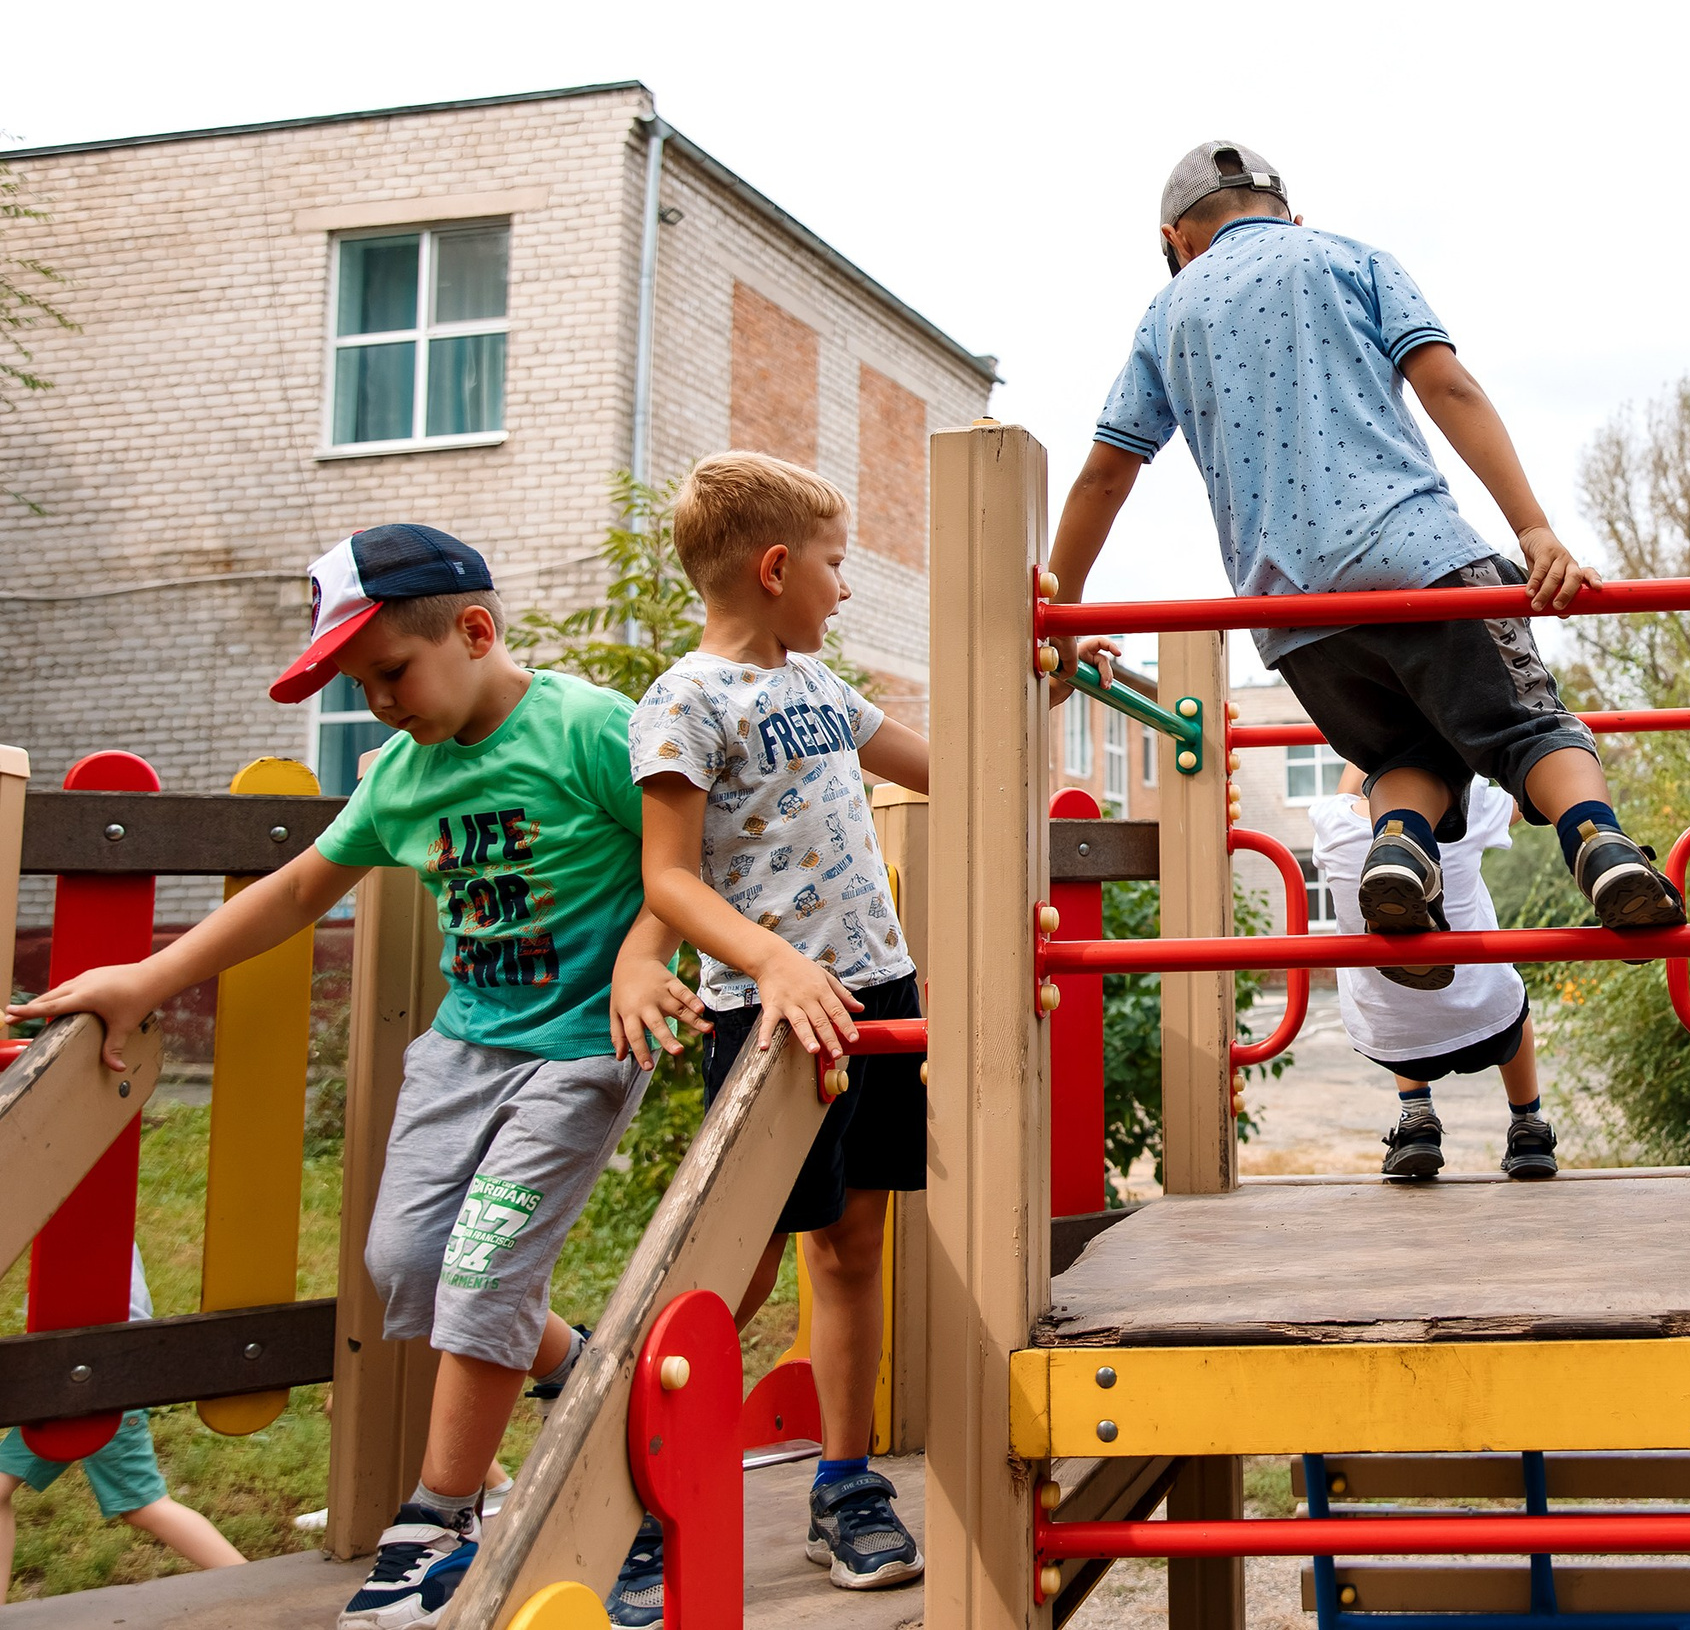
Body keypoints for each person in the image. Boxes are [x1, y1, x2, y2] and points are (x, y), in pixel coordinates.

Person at [16, 525, 706, 1630]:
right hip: (464, 1049)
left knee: (480, 1271)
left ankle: (437, 1521)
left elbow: (679, 857)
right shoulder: (401, 774)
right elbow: (294, 893)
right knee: (409, 1260)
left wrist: (643, 958)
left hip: (581, 1045)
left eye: (389, 672)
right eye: (357, 683)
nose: (377, 703)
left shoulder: (584, 729)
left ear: (474, 631)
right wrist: (147, 980)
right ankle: (595, 1392)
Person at [626, 450, 1114, 1616]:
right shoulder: (687, 700)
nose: (845, 589)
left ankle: (843, 1486)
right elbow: (671, 880)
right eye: (836, 566)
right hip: (768, 1013)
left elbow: (953, 770)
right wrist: (772, 960)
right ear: (778, 566)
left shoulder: (819, 689)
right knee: (727, 1272)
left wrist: (1050, 684)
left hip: (872, 998)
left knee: (851, 1248)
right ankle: (647, 1502)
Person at [1047, 140, 1686, 993]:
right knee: (1529, 727)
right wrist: (1532, 528)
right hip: (1419, 560)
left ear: (1179, 239)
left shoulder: (1166, 315)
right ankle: (1601, 845)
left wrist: (1058, 608)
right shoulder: (1348, 256)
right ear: (1289, 214)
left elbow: (1105, 472)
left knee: (1403, 753)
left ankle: (1399, 852)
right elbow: (1447, 387)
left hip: (1294, 618)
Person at [1307, 765, 1555, 1180]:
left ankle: (1416, 1122)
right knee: (1512, 997)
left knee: (1402, 982)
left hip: (1391, 1038)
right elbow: (1526, 800)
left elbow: (1343, 794)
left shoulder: (1330, 821)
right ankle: (1528, 1126)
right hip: (1490, 1024)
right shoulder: (1471, 806)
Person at [0, 1249, 246, 1596]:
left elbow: (124, 1319)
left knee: (145, 1505)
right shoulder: (84, 1224)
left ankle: (249, 1582)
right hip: (63, 1384)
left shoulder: (93, 1227)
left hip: (100, 1382)